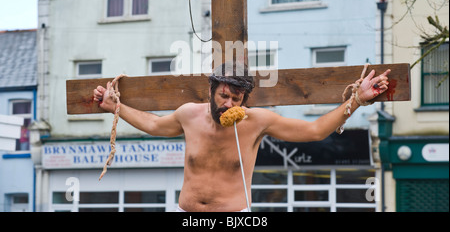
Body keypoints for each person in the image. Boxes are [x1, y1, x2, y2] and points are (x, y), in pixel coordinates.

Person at [93, 63, 390, 212]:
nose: (229, 105)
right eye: (224, 96)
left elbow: (314, 131)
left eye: (237, 99)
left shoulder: (257, 121)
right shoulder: (188, 114)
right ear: (211, 91)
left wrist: (357, 100)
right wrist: (115, 106)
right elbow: (155, 124)